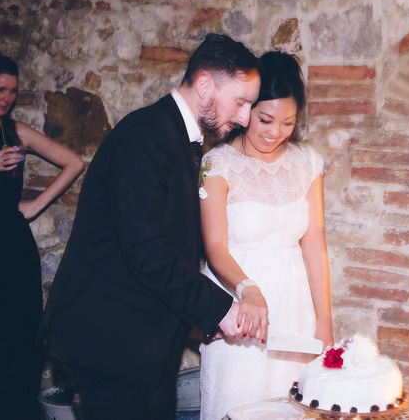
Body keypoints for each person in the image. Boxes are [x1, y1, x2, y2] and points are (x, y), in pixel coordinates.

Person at [39, 34, 269, 420]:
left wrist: (200, 319)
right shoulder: (145, 135)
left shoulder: (178, 138)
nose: (246, 117)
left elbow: (174, 245)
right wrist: (220, 311)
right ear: (205, 85)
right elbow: (147, 252)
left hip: (141, 346)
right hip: (112, 346)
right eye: (241, 102)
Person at [199, 51, 334, 420]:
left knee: (295, 407)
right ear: (246, 113)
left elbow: (315, 240)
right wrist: (248, 289)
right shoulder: (218, 164)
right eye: (265, 119)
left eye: (288, 123)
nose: (275, 132)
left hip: (295, 309)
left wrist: (324, 320)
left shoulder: (308, 163)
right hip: (241, 310)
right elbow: (214, 247)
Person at [0, 50, 85, 419]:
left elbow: (75, 162)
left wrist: (35, 206)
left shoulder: (16, 132)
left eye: (13, 91)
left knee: (20, 344)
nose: (6, 98)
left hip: (14, 252)